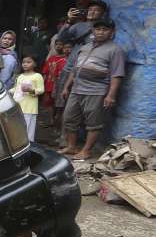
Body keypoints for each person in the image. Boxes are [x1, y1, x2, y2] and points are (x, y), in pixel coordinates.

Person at [60, 18, 126, 161]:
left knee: (93, 123)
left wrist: (111, 95)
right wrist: (66, 87)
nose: (100, 32)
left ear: (112, 32)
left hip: (96, 91)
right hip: (76, 89)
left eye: (105, 29)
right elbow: (75, 69)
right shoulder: (85, 47)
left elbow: (117, 75)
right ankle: (72, 146)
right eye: (98, 29)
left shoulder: (115, 50)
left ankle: (86, 151)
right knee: (69, 118)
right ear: (93, 31)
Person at [12, 55, 44, 142]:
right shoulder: (20, 76)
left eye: (28, 62)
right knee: (18, 128)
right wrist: (7, 91)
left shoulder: (37, 76)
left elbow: (41, 90)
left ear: (35, 64)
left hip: (30, 107)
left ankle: (29, 146)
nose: (25, 64)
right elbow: (16, 88)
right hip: (18, 105)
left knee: (28, 129)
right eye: (23, 62)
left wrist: (31, 90)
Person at [42, 39, 69, 125]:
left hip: (60, 86)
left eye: (61, 44)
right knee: (49, 104)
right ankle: (51, 120)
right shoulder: (51, 58)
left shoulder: (67, 59)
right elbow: (45, 72)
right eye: (56, 44)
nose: (58, 46)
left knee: (59, 106)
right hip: (49, 85)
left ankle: (57, 123)